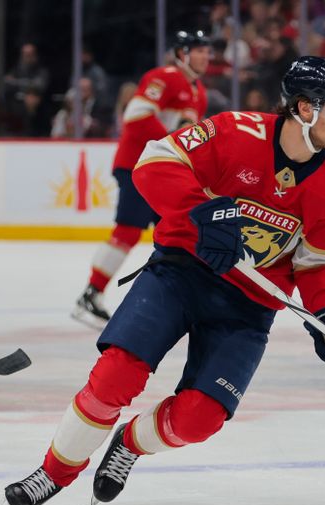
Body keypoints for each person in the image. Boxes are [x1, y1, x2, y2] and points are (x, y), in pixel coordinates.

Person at [0, 55, 325, 505]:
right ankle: (52, 474)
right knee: (117, 374)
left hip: (248, 308)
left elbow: (317, 264)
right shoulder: (236, 131)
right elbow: (153, 161)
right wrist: (201, 208)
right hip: (181, 274)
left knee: (200, 419)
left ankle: (130, 443)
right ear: (304, 107)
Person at [72, 30, 211, 327]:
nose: (204, 56)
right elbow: (135, 116)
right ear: (181, 54)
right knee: (129, 230)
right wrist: (171, 144)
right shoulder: (164, 76)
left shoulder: (199, 91)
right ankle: (91, 293)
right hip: (138, 166)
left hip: (162, 170)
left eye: (206, 51)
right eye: (198, 50)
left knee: (178, 232)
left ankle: (178, 298)